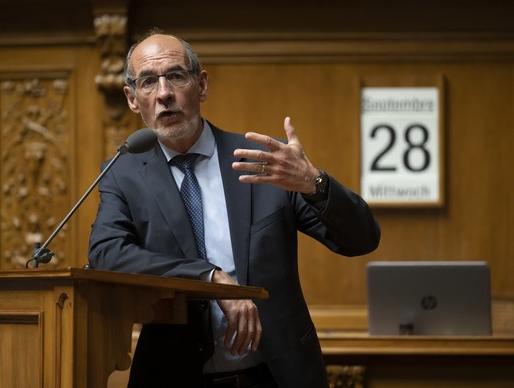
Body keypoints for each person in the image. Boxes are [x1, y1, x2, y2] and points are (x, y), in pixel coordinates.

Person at [88, 29, 380, 388]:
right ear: (133, 99)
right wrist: (208, 278)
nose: (164, 94)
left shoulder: (263, 162)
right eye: (148, 82)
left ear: (202, 85)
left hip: (275, 375)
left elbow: (361, 239)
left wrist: (313, 183)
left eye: (176, 76)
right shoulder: (124, 173)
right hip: (174, 375)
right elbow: (106, 254)